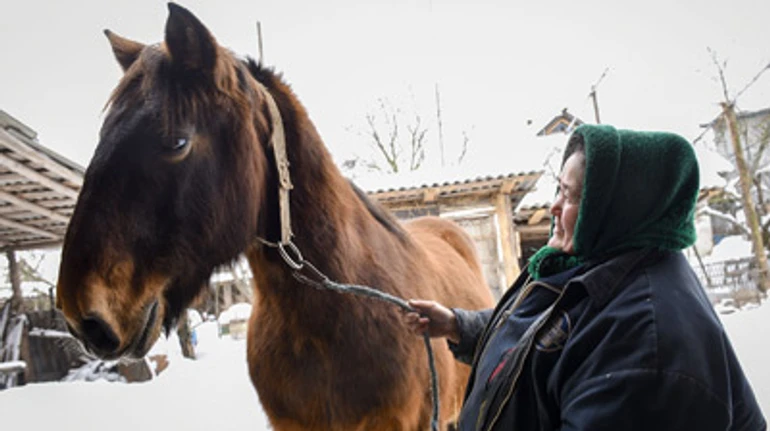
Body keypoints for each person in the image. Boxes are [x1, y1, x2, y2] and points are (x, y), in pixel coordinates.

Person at [405, 124, 766, 430]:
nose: (554, 207)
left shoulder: (646, 350)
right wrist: (458, 325)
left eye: (571, 195)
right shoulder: (601, 267)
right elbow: (550, 332)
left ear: (616, 210)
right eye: (559, 189)